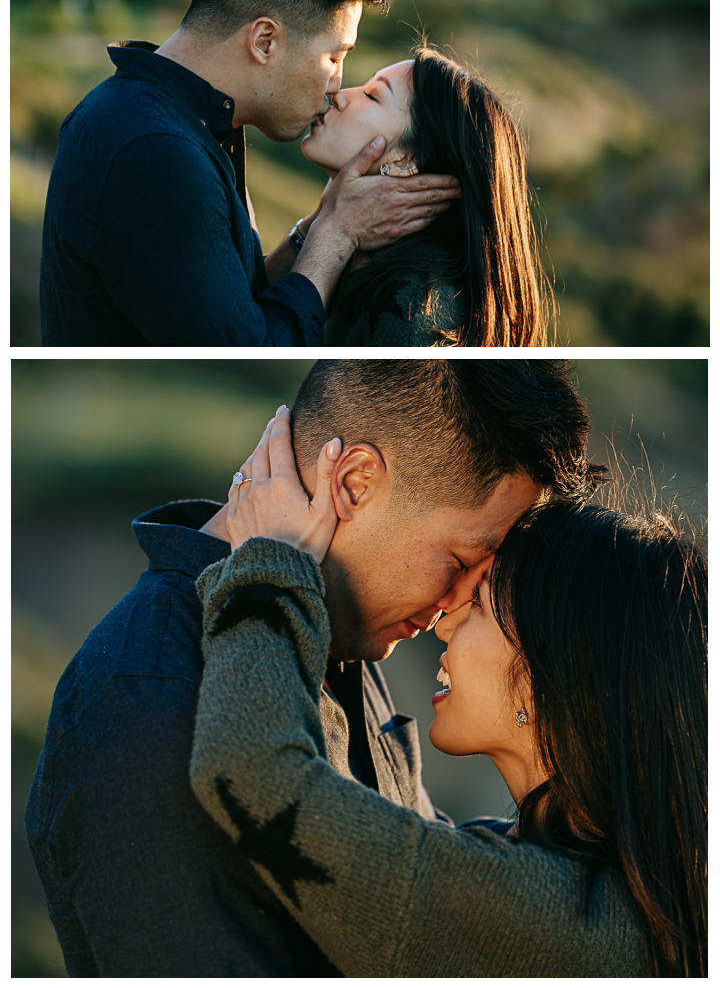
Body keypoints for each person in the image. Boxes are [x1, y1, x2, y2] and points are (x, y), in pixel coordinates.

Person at [25, 358, 601, 976]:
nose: (457, 607)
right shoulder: (150, 701)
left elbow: (416, 871)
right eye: (462, 561)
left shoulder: (339, 632)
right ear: (354, 483)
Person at [190, 409, 708, 978]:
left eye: (481, 601)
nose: (443, 620)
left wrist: (269, 560)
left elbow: (250, 772)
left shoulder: (544, 916)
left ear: (552, 680)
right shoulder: (589, 885)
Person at [39, 0, 461, 347]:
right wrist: (337, 234)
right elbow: (252, 351)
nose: (336, 85)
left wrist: (315, 228)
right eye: (333, 56)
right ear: (264, 41)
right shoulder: (155, 149)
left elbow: (226, 305)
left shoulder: (186, 121)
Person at [303, 46, 550, 346]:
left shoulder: (408, 310)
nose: (340, 95)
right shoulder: (367, 267)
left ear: (406, 162)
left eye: (371, 96)